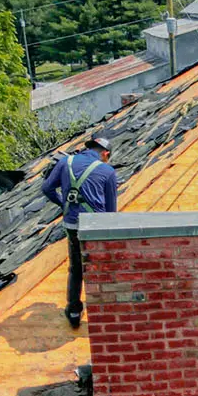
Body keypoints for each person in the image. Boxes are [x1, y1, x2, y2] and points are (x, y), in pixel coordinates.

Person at [41, 136, 118, 328]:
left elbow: (47, 188)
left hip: (73, 225)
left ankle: (74, 311)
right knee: (100, 267)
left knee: (76, 268)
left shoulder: (65, 162)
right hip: (95, 228)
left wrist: (65, 205)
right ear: (105, 154)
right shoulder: (107, 171)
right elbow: (111, 211)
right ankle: (105, 310)